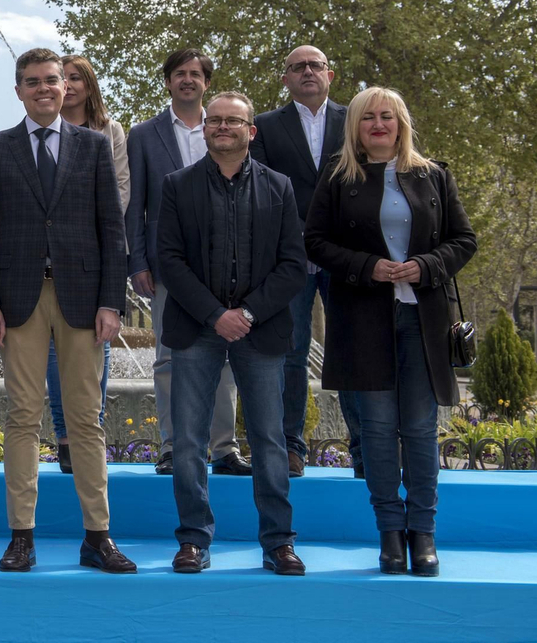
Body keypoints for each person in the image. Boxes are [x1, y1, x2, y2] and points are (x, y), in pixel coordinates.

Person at [0, 48, 134, 574]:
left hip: (85, 300)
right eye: (32, 82)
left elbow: (113, 230)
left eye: (51, 81)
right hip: (18, 300)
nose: (43, 89)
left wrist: (113, 301)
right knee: (23, 416)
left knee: (86, 418)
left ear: (67, 88)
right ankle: (22, 536)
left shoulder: (93, 146)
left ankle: (98, 536)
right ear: (18, 91)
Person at [306, 87, 476, 577]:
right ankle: (389, 533)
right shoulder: (339, 178)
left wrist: (424, 265)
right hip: (363, 321)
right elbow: (314, 241)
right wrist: (366, 267)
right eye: (368, 119)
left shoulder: (432, 175)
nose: (378, 125)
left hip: (423, 322)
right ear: (355, 127)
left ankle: (423, 532)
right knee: (378, 432)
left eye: (387, 117)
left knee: (420, 429)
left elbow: (465, 240)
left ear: (401, 122)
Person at [157, 92, 307, 576]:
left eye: (233, 121)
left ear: (251, 131)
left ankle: (279, 542)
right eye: (215, 120)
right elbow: (170, 261)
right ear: (204, 130)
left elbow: (293, 264)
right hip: (197, 329)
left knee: (268, 439)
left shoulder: (280, 187)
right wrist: (214, 315)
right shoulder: (177, 186)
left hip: (259, 330)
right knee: (188, 442)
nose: (223, 127)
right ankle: (194, 541)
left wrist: (247, 313)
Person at [125, 48, 247, 476]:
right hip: (167, 266)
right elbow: (135, 204)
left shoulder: (230, 129)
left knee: (227, 353)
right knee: (168, 357)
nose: (188, 80)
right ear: (168, 81)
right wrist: (137, 261)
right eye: (180, 73)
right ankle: (173, 446)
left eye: (196, 73)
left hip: (227, 264)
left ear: (207, 82)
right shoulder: (143, 135)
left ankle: (223, 448)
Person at [249, 45, 362, 476]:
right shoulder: (264, 127)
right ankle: (290, 446)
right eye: (298, 68)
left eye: (316, 66)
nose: (308, 72)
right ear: (286, 79)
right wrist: (298, 237)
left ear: (330, 74)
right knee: (292, 353)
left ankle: (363, 445)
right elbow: (261, 187)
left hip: (347, 256)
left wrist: (332, 239)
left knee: (351, 351)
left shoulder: (356, 120)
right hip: (290, 258)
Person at [45, 53, 126, 472]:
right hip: (48, 261)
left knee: (99, 341)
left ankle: (89, 426)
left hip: (94, 255)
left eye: (77, 77)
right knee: (55, 350)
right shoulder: (38, 134)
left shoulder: (109, 132)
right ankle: (64, 437)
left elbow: (121, 191)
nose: (70, 85)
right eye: (65, 77)